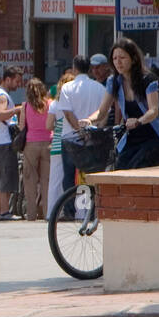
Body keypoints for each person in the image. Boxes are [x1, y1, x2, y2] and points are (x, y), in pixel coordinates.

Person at [82, 37, 159, 170]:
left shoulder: (148, 80)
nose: (118, 62)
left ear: (133, 59)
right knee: (119, 169)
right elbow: (102, 111)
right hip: (132, 137)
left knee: (136, 169)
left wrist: (138, 121)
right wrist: (89, 120)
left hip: (154, 137)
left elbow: (153, 111)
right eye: (115, 59)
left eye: (122, 58)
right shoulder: (113, 81)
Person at [50, 55, 108, 201]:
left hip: (71, 137)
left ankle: (69, 209)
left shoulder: (67, 88)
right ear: (89, 69)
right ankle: (91, 208)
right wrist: (94, 128)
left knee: (69, 175)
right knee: (92, 174)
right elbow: (104, 113)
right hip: (95, 136)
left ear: (74, 68)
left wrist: (79, 130)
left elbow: (68, 114)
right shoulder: (100, 88)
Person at [0, 66, 23, 220]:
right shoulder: (2, 96)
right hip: (3, 141)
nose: (18, 84)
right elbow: (0, 115)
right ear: (7, 79)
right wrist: (18, 109)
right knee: (5, 175)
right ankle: (4, 211)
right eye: (16, 81)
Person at [19, 78, 54, 221]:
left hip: (31, 145)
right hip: (48, 143)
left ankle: (31, 214)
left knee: (30, 181)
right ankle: (47, 213)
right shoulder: (50, 104)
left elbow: (21, 127)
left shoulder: (25, 106)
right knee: (46, 181)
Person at [47, 70, 76, 204]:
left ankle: (52, 211)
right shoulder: (74, 102)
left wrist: (58, 126)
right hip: (76, 141)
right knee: (76, 179)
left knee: (55, 180)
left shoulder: (54, 104)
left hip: (58, 143)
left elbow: (48, 125)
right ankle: (79, 212)